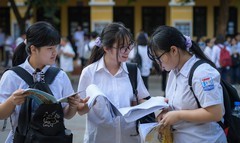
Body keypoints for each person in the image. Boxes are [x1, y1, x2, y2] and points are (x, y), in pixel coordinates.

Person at [0, 21, 80, 143]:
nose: (55, 53)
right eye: (49, 48)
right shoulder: (12, 76)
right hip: (22, 139)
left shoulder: (60, 76)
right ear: (33, 49)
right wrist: (12, 101)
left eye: (56, 47)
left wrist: (73, 106)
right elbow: (1, 114)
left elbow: (66, 114)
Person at [147, 25, 227, 143]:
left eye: (159, 58)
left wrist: (178, 115)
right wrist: (166, 112)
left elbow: (215, 113)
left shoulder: (202, 73)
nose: (159, 64)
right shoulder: (174, 72)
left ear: (174, 50)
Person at [77, 22, 150, 143]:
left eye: (129, 45)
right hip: (99, 138)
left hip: (129, 138)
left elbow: (141, 98)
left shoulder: (132, 71)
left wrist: (155, 105)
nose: (127, 51)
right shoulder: (89, 73)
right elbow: (80, 110)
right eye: (122, 47)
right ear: (106, 48)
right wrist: (86, 105)